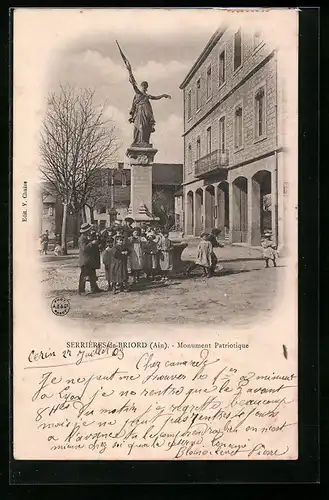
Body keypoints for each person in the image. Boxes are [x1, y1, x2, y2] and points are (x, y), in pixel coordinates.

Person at [78, 223, 102, 295]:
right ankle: (81, 290)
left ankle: (94, 288)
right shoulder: (82, 238)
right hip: (85, 260)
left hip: (90, 260)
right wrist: (92, 243)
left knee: (92, 274)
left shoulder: (87, 237)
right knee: (84, 276)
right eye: (89, 230)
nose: (90, 231)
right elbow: (84, 249)